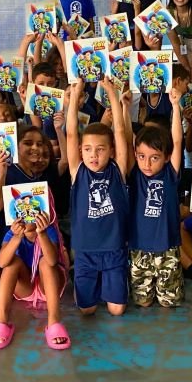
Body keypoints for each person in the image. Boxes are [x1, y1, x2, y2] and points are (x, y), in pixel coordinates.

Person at [65, 78, 130, 316]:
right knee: (87, 310)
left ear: (111, 151)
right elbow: (72, 133)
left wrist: (113, 94)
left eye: (101, 149)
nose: (94, 155)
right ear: (81, 151)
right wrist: (76, 94)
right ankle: (83, 277)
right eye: (88, 149)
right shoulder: (78, 171)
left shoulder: (117, 169)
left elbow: (120, 131)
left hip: (114, 250)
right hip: (85, 251)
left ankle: (109, 282)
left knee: (117, 310)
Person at [125, 85, 184, 308]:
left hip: (167, 247)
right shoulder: (134, 173)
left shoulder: (170, 173)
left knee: (169, 302)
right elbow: (124, 135)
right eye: (142, 156)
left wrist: (176, 107)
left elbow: (177, 142)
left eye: (154, 158)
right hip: (139, 247)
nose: (147, 164)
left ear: (167, 158)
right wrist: (125, 106)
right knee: (142, 302)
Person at [0, 206, 71, 350]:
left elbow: (52, 261)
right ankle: (1, 321)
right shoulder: (11, 233)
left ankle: (54, 322)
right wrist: (16, 238)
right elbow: (1, 262)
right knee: (10, 264)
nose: (27, 217)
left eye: (31, 212)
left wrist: (42, 234)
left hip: (50, 285)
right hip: (27, 286)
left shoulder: (49, 230)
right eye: (22, 213)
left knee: (45, 262)